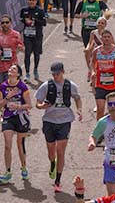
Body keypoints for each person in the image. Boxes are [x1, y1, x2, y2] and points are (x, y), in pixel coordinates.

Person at [36, 61, 84, 192]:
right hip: (49, 121)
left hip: (64, 121)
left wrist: (79, 109)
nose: (55, 76)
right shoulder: (46, 85)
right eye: (53, 74)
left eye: (57, 73)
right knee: (51, 151)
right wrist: (42, 106)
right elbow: (37, 103)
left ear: (63, 72)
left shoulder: (70, 85)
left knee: (61, 151)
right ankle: (52, 163)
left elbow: (77, 98)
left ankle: (58, 180)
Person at [0, 64, 32, 184]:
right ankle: (7, 172)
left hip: (21, 117)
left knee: (20, 144)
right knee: (7, 145)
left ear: (18, 74)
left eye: (14, 69)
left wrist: (18, 106)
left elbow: (29, 105)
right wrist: (8, 97)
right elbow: (0, 105)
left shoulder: (23, 87)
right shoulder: (3, 86)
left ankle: (23, 167)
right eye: (10, 68)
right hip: (8, 117)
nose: (11, 70)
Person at [90, 29, 115, 118]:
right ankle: (100, 131)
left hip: (113, 86)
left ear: (111, 38)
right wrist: (92, 71)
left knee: (114, 110)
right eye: (104, 37)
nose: (106, 39)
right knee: (100, 109)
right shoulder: (96, 51)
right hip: (100, 85)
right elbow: (92, 62)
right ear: (101, 39)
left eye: (108, 37)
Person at [19, 0, 48, 81]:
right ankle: (27, 73)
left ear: (36, 1)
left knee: (36, 53)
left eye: (33, 0)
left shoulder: (40, 10)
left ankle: (35, 69)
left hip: (37, 36)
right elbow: (21, 19)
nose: (31, 2)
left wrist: (35, 21)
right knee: (27, 53)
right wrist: (25, 21)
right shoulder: (24, 10)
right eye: (30, 0)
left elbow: (44, 23)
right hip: (27, 35)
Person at [0, 14, 24, 84]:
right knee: (2, 89)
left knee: (12, 87)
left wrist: (21, 48)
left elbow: (22, 48)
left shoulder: (16, 35)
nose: (5, 24)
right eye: (3, 23)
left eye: (7, 22)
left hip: (12, 67)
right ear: (0, 24)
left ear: (10, 23)